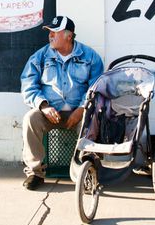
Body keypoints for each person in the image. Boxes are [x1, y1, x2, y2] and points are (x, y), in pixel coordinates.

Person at [19, 15, 104, 190]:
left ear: (69, 36)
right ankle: (35, 173)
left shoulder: (90, 57)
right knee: (30, 119)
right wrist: (43, 106)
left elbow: (96, 88)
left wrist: (81, 108)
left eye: (54, 32)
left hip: (79, 111)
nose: (50, 36)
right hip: (50, 112)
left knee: (92, 122)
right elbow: (28, 84)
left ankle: (87, 172)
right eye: (49, 32)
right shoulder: (40, 56)